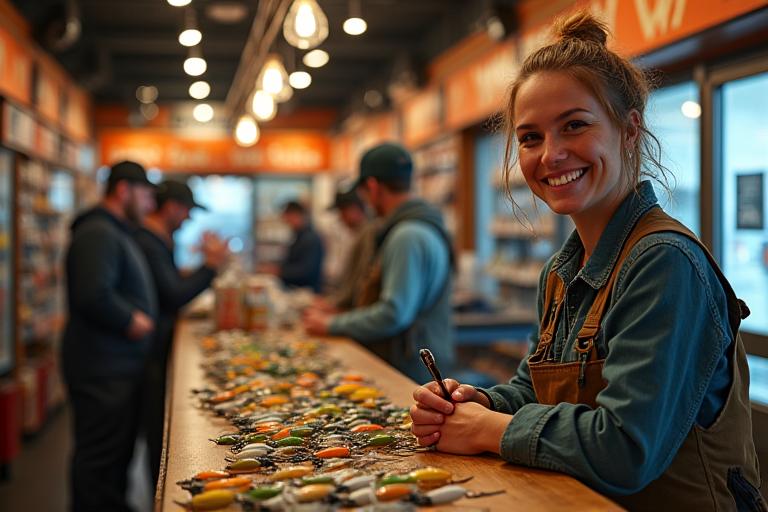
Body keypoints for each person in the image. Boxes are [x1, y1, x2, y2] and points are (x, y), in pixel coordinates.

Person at [409, 12, 763, 511]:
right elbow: (534, 388)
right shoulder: (560, 270)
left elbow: (625, 449)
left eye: (574, 126)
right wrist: (480, 403)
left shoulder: (664, 263)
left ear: (629, 130)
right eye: (530, 137)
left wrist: (491, 430)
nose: (550, 155)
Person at [304, 143, 455, 382]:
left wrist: (332, 324)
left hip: (409, 371)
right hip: (416, 363)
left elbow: (394, 313)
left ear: (373, 187)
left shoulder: (407, 235)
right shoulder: (418, 227)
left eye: (363, 193)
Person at [61, 160, 157, 512]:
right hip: (102, 369)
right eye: (145, 194)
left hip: (114, 367)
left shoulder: (113, 230)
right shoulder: (98, 232)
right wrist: (131, 319)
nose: (150, 204)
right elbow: (91, 293)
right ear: (123, 190)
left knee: (115, 458)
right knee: (99, 461)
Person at [133, 180, 228, 488]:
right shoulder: (149, 241)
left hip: (151, 348)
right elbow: (173, 295)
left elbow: (167, 284)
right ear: (172, 206)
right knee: (158, 434)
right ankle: (160, 494)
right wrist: (210, 266)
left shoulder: (158, 239)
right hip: (149, 352)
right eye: (186, 211)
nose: (188, 218)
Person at [315, 187, 378, 312]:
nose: (340, 218)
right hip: (346, 302)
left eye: (342, 211)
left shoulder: (369, 236)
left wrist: (336, 308)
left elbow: (360, 283)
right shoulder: (355, 234)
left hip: (359, 309)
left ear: (355, 209)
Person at [267, 200, 325, 293]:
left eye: (287, 218)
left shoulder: (310, 238)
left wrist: (279, 271)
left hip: (307, 293)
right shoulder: (299, 236)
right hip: (296, 290)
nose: (286, 221)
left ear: (296, 215)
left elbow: (307, 271)